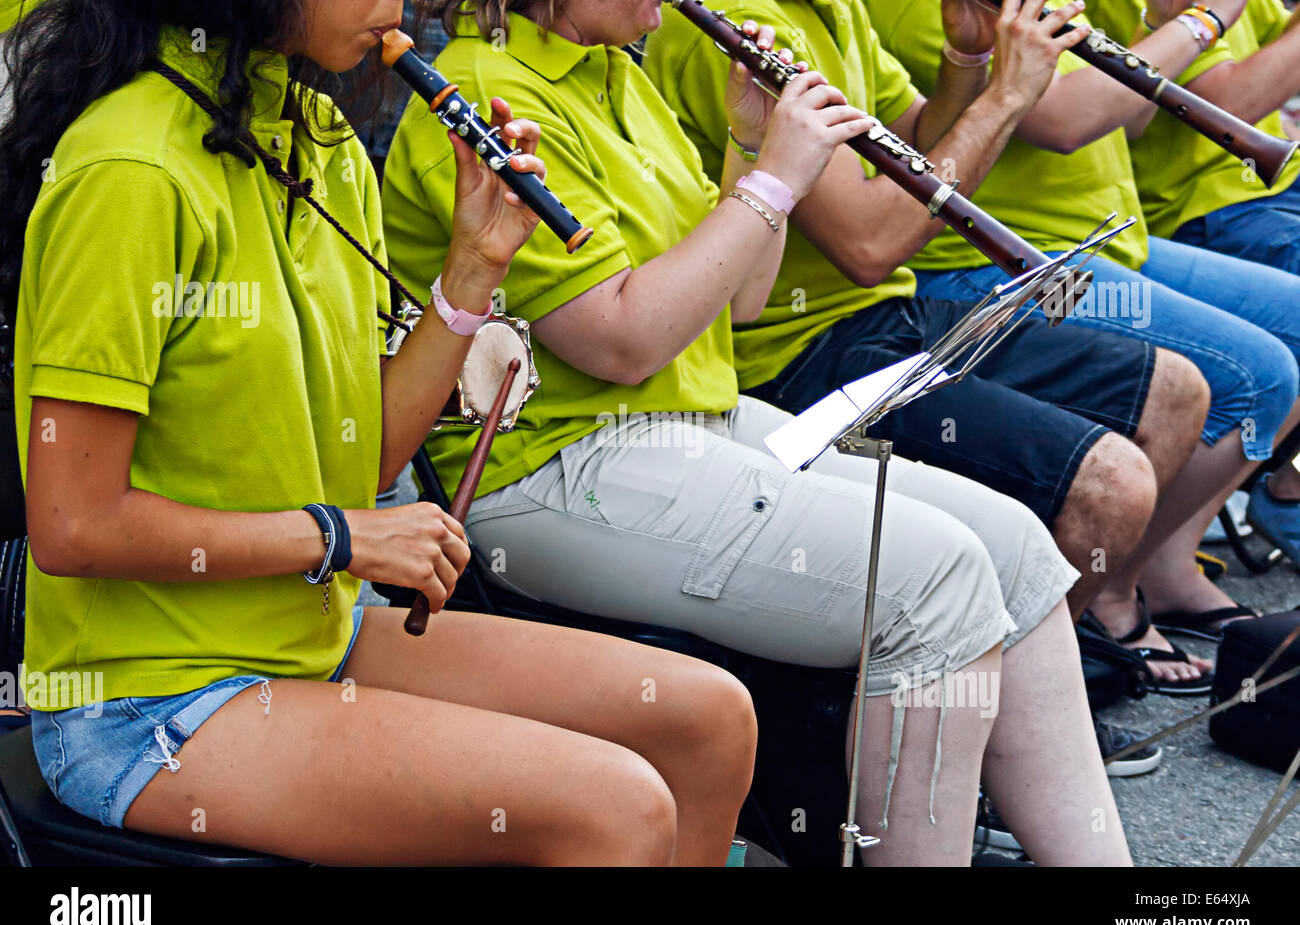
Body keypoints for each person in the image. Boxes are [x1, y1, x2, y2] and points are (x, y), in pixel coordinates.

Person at [1, 0, 760, 866]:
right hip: (148, 699)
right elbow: (73, 525)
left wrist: (474, 269)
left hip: (314, 631)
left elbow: (364, 461)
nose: (396, 7)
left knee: (707, 719)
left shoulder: (317, 137)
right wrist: (337, 537)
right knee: (616, 811)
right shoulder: (131, 168)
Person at [383, 0, 1132, 865]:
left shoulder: (618, 67)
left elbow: (737, 300)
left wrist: (751, 142)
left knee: (1018, 550)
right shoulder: (486, 93)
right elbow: (622, 342)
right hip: (555, 463)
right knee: (939, 585)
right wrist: (772, 178)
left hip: (693, 415)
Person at [644, 0, 1250, 695]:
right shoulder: (739, 30)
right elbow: (870, 243)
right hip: (797, 353)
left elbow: (912, 138)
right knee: (1111, 484)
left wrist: (966, 60)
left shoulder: (830, 9)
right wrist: (1010, 93)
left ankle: (1051, 656)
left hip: (888, 314)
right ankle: (1007, 716)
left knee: (1176, 393)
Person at [853, 0, 1300, 662]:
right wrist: (1206, 19)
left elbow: (1136, 113)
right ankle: (1110, 596)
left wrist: (1157, 24)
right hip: (991, 261)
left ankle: (1167, 564)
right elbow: (1065, 121)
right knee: (1252, 371)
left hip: (1104, 239)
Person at [1088, 0, 1300, 565]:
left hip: (1261, 190)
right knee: (1260, 366)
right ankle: (1159, 559)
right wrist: (1197, 20)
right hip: (1201, 206)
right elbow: (1227, 110)